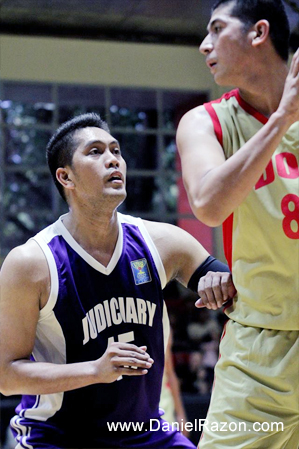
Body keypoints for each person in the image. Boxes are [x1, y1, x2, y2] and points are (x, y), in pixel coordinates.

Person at [0, 113, 235, 449]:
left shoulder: (164, 242)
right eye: (95, 152)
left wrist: (218, 282)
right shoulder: (31, 263)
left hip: (144, 433)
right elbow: (7, 377)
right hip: (58, 436)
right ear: (65, 177)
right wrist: (94, 371)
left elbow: (222, 278)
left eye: (116, 150)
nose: (113, 159)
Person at [176, 0, 299, 447]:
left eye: (216, 28)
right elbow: (208, 204)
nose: (204, 44)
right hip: (259, 348)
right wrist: (283, 117)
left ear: (259, 32)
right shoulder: (205, 122)